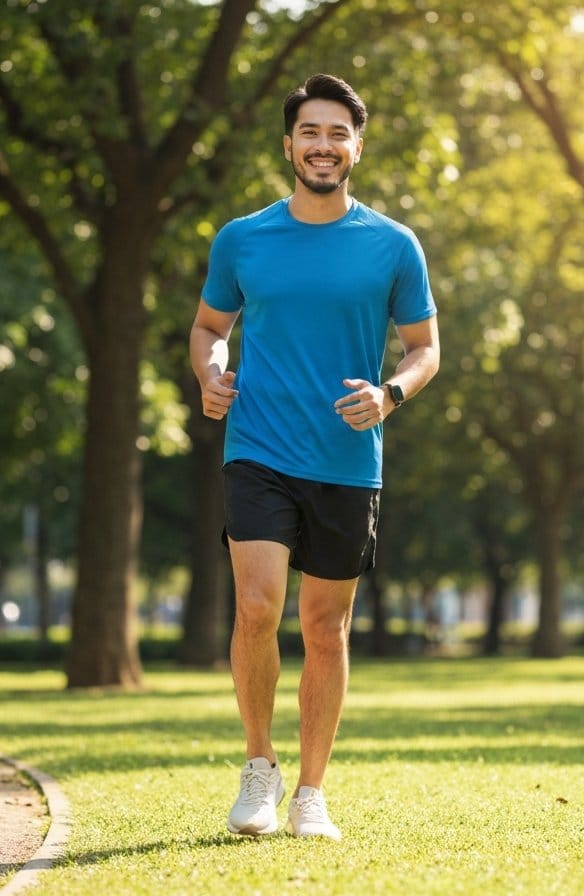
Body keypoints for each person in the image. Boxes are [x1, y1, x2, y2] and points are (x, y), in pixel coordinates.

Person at [190, 73, 439, 841]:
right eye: (310, 132)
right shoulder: (243, 238)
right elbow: (208, 328)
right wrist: (209, 372)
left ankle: (310, 792)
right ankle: (258, 770)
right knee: (259, 606)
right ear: (289, 144)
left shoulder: (394, 245)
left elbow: (425, 349)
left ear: (356, 148)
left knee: (325, 627)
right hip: (258, 447)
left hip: (346, 456)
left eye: (337, 134)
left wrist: (391, 393)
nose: (322, 146)